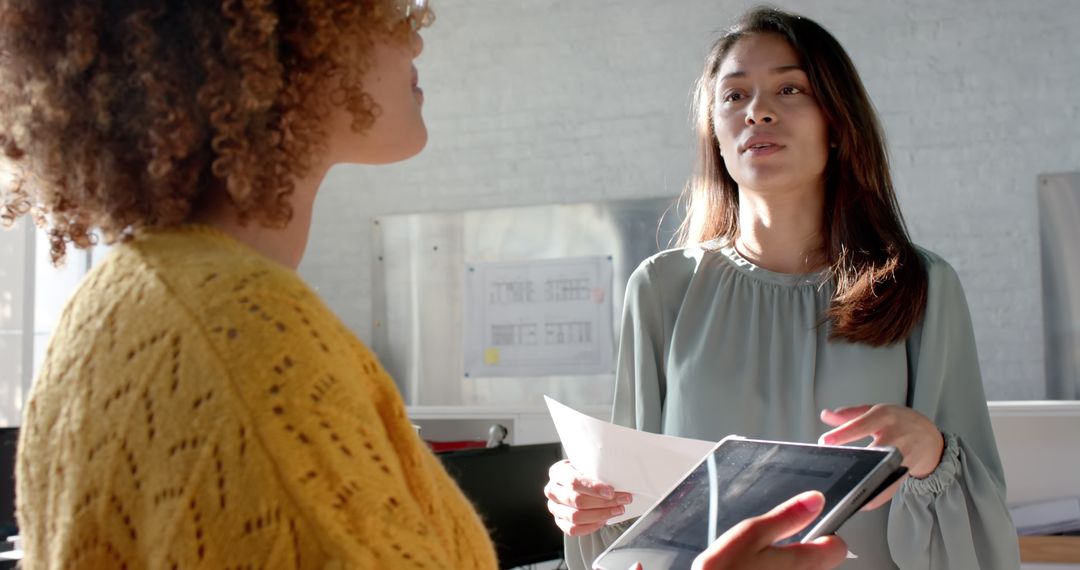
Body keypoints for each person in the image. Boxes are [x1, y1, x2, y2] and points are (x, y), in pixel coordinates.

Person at [0, 1, 851, 568]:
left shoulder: (118, 307)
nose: (414, 35)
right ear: (280, 39)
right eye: (381, 9)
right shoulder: (245, 335)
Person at [546, 6, 1021, 570]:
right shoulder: (659, 288)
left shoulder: (921, 286)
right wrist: (584, 497)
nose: (758, 112)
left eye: (790, 88)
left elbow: (979, 512)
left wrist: (931, 451)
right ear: (715, 135)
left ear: (837, 123)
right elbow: (630, 513)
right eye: (734, 96)